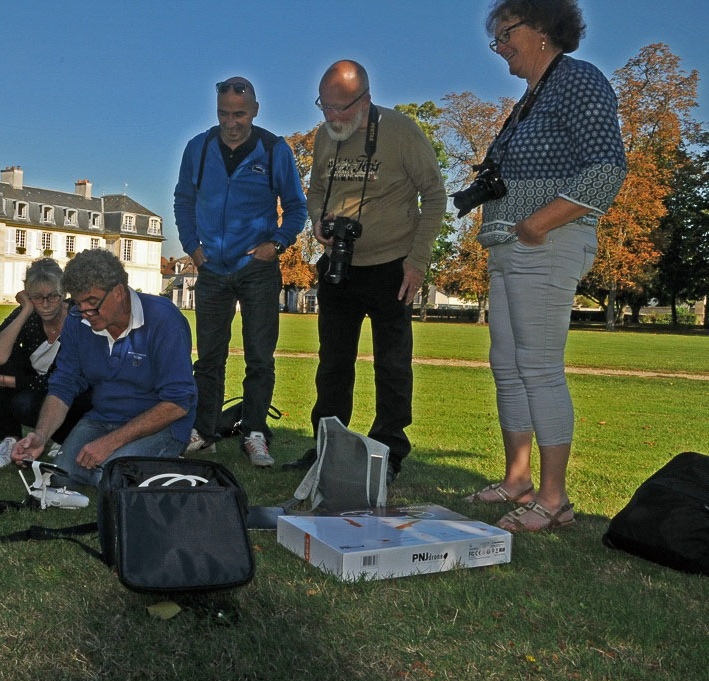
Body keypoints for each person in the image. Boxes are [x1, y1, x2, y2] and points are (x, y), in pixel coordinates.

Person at [462, 0, 626, 532]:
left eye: (505, 34)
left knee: (538, 369)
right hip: (509, 248)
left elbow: (607, 169)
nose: (500, 47)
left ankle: (554, 500)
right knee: (507, 368)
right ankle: (518, 480)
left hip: (546, 244)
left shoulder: (579, 80)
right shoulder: (530, 99)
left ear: (540, 30)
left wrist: (537, 223)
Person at [282, 60, 446, 484]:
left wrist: (418, 261)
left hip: (393, 266)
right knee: (333, 363)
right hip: (339, 265)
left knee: (392, 365)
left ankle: (389, 451)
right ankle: (327, 445)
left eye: (341, 108)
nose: (332, 118)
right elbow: (317, 190)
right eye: (325, 107)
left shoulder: (401, 130)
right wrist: (318, 220)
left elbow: (434, 193)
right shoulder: (323, 136)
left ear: (366, 99)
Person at [173, 76, 308, 467]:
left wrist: (276, 245)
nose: (231, 122)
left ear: (255, 111)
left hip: (258, 270)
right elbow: (184, 199)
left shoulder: (273, 149)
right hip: (211, 269)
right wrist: (193, 249)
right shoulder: (198, 148)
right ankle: (205, 432)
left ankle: (254, 434)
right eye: (223, 114)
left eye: (239, 114)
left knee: (259, 358)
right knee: (209, 359)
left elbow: (296, 207)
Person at [11, 249, 197, 486]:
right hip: (102, 419)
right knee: (60, 476)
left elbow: (178, 403)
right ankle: (141, 465)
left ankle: (164, 461)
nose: (86, 313)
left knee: (110, 476)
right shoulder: (78, 321)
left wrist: (109, 443)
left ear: (119, 292)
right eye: (78, 303)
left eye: (92, 303)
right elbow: (64, 384)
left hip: (162, 426)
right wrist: (40, 435)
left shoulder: (164, 319)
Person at [0, 258, 91, 468]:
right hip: (34, 383)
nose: (46, 304)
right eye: (38, 297)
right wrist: (25, 311)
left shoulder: (78, 317)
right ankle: (10, 438)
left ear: (64, 293)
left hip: (71, 393)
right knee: (7, 353)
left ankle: (65, 437)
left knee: (25, 405)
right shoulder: (30, 315)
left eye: (53, 296)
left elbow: (59, 381)